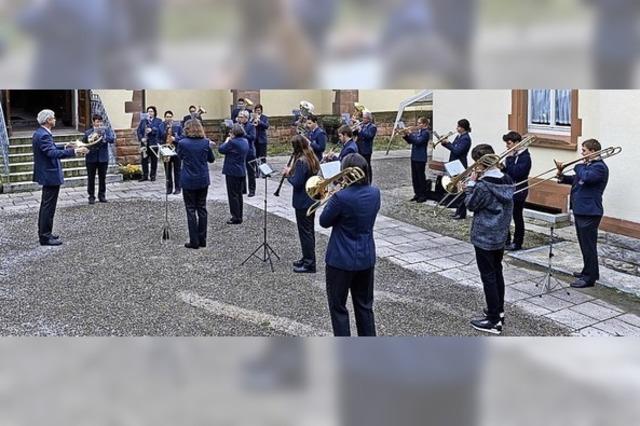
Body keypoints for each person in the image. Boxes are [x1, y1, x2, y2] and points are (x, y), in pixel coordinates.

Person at [319, 153, 381, 336]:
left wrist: (333, 194)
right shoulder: (375, 193)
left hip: (340, 259)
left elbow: (324, 221)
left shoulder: (341, 197)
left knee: (338, 307)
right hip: (366, 256)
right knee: (364, 306)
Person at [464, 144, 514, 335]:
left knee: (488, 277)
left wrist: (470, 186)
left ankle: (493, 321)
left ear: (480, 163)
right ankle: (498, 310)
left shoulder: (484, 185)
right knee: (497, 272)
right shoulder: (507, 179)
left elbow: (471, 204)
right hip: (500, 233)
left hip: (485, 234)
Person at [557, 138, 609, 288]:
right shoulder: (588, 166)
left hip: (590, 212)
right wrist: (561, 176)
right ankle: (588, 270)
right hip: (582, 210)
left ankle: (589, 278)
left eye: (584, 151)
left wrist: (578, 165)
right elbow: (576, 179)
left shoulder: (599, 167)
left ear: (593, 151)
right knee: (584, 244)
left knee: (589, 246)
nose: (582, 153)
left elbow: (585, 176)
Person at [32, 109, 88, 246]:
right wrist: (74, 151)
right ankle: (45, 236)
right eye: (53, 118)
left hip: (47, 174)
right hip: (49, 174)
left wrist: (65, 146)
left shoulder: (41, 133)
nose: (55, 119)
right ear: (48, 120)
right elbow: (51, 152)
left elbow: (50, 147)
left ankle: (46, 233)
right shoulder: (44, 135)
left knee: (47, 206)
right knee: (48, 207)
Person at [283, 135, 321, 273]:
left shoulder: (301, 161)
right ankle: (307, 258)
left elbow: (297, 183)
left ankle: (309, 264)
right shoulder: (311, 157)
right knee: (309, 231)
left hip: (302, 200)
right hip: (311, 198)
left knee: (305, 233)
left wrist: (288, 174)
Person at [176, 119, 215, 249]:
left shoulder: (182, 143)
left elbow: (179, 156)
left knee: (191, 209)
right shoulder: (205, 142)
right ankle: (202, 239)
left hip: (188, 179)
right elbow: (211, 159)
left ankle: (194, 241)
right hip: (203, 178)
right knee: (202, 208)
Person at [502, 131, 532, 251]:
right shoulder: (513, 156)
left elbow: (517, 173)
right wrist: (502, 168)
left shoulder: (525, 157)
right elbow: (508, 173)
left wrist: (508, 159)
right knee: (505, 215)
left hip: (519, 189)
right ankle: (506, 240)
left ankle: (517, 242)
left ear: (517, 143)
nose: (507, 146)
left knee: (517, 216)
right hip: (508, 187)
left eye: (509, 143)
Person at [219, 124, 250, 225]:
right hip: (241, 170)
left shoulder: (232, 142)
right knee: (239, 195)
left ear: (234, 133)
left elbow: (221, 149)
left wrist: (227, 140)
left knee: (232, 195)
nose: (229, 133)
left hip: (232, 171)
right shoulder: (245, 141)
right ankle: (239, 215)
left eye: (231, 132)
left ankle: (235, 216)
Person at [441, 118, 472, 219]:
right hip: (454, 164)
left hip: (459, 165)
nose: (457, 128)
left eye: (458, 126)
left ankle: (461, 212)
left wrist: (448, 143)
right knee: (456, 188)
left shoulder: (466, 138)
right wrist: (444, 143)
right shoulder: (459, 136)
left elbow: (457, 151)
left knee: (460, 189)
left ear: (463, 128)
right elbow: (453, 148)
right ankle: (457, 210)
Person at [83, 114, 115, 204]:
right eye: (97, 122)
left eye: (100, 122)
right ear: (93, 122)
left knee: (102, 178)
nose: (99, 124)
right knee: (91, 178)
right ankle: (91, 196)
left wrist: (104, 136)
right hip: (91, 158)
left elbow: (112, 139)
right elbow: (83, 143)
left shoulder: (106, 130)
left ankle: (102, 195)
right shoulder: (88, 132)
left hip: (103, 158)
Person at [403, 117, 431, 203]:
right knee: (414, 177)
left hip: (421, 157)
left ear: (425, 124)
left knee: (420, 177)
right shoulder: (419, 132)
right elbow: (412, 141)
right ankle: (417, 193)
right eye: (418, 123)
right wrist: (406, 136)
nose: (418, 125)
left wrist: (410, 134)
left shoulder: (426, 133)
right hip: (414, 156)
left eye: (420, 123)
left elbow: (418, 141)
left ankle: (422, 195)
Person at [136, 106, 165, 182]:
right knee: (144, 160)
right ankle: (145, 176)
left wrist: (152, 130)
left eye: (151, 111)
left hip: (153, 143)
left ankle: (153, 175)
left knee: (153, 160)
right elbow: (138, 130)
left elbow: (160, 130)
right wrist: (141, 138)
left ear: (154, 112)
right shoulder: (143, 121)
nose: (150, 113)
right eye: (148, 111)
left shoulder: (158, 121)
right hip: (144, 143)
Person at [353, 110, 377, 182]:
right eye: (363, 118)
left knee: (366, 166)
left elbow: (368, 136)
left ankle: (368, 180)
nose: (363, 120)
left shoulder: (372, 127)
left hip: (366, 150)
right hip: (359, 148)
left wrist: (360, 130)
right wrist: (354, 128)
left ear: (368, 119)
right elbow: (355, 134)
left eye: (364, 118)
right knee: (359, 165)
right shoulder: (362, 125)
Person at [163, 110, 184, 195]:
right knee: (167, 171)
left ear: (172, 117)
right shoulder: (161, 126)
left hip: (176, 150)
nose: (169, 118)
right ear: (164, 117)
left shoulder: (178, 126)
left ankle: (178, 188)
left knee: (177, 170)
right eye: (167, 117)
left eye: (170, 117)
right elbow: (158, 137)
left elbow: (182, 137)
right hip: (166, 150)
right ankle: (169, 188)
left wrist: (175, 139)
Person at [237, 110, 257, 197]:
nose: (239, 119)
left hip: (249, 151)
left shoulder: (251, 126)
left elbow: (252, 137)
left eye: (241, 117)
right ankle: (243, 189)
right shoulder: (237, 125)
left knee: (251, 172)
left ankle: (252, 190)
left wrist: (243, 133)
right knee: (241, 171)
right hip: (240, 152)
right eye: (239, 117)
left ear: (246, 118)